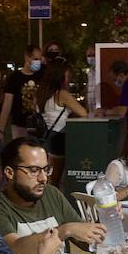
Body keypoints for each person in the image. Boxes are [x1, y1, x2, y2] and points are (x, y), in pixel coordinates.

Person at [0, 136, 107, 254]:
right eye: (34, 170)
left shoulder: (51, 194)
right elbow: (15, 249)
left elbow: (86, 242)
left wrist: (105, 220)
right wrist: (63, 231)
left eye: (46, 169)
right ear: (10, 172)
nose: (43, 178)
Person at [36, 57, 88, 185]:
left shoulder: (43, 92)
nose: (70, 77)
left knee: (51, 178)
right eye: (68, 73)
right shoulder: (62, 94)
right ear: (61, 74)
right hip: (60, 137)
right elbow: (83, 113)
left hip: (49, 136)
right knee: (53, 180)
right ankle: (49, 203)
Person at [0, 44, 44, 144]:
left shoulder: (42, 75)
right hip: (19, 125)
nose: (38, 62)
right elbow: (7, 104)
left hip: (39, 125)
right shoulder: (14, 78)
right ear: (27, 57)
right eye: (35, 59)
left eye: (39, 59)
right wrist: (1, 130)